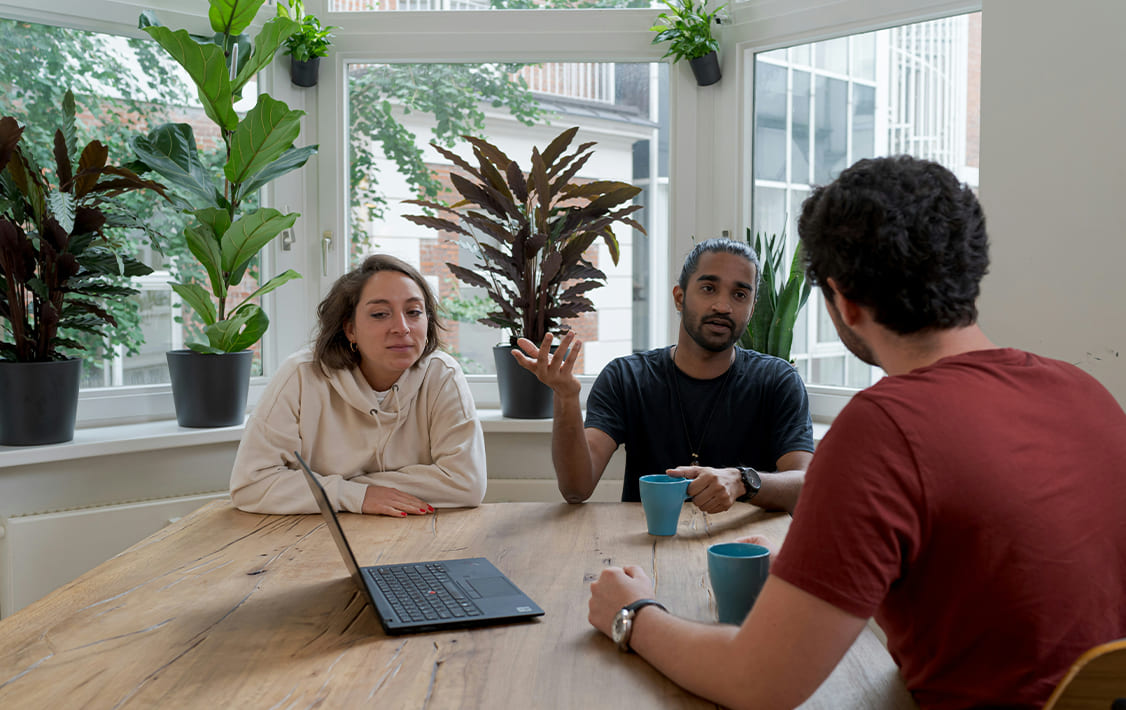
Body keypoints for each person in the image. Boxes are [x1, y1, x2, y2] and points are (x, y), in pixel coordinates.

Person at [584, 156, 1126, 709]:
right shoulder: (1088, 394)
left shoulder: (883, 427)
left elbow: (756, 683)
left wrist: (633, 613)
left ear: (841, 299)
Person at [514, 238, 814, 514]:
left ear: (751, 309)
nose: (723, 306)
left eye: (739, 294)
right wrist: (566, 398)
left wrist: (742, 481)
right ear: (679, 298)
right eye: (709, 288)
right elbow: (576, 489)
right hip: (645, 552)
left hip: (741, 552)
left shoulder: (778, 380)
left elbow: (805, 486)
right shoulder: (626, 378)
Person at [230, 254, 487, 517]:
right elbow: (251, 484)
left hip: (416, 531)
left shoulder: (442, 374)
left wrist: (337, 488)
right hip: (312, 537)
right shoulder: (301, 375)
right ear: (350, 329)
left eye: (414, 312)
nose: (402, 327)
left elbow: (467, 484)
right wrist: (353, 495)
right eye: (380, 314)